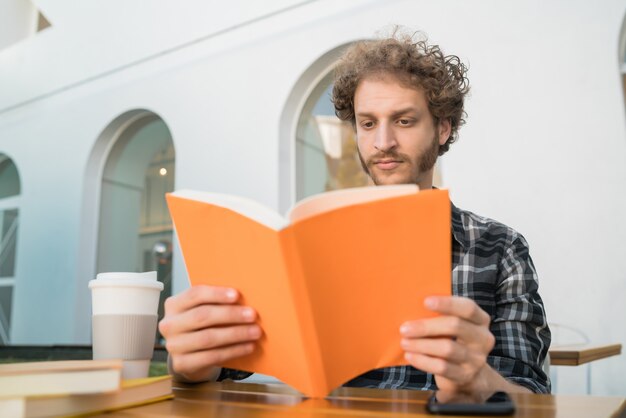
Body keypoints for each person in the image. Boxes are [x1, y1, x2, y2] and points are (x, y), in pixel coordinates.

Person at [158, 31, 551, 395]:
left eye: (404, 120)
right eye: (368, 123)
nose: (384, 142)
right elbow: (226, 365)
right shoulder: (312, 247)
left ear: (443, 129)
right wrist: (192, 362)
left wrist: (478, 380)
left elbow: (531, 395)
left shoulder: (500, 247)